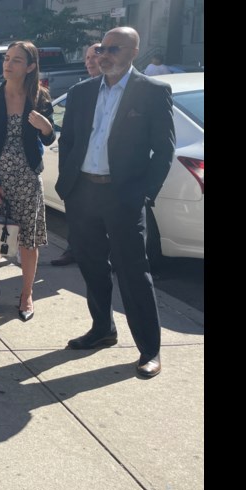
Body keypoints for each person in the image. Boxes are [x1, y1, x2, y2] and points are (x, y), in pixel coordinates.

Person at [57, 27, 175, 379]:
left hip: (123, 197)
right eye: (100, 48)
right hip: (83, 194)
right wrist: (69, 186)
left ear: (133, 51)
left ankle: (149, 349)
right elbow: (70, 141)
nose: (103, 55)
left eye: (112, 48)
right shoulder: (82, 92)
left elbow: (164, 150)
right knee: (92, 268)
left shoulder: (152, 91)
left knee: (133, 273)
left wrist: (143, 193)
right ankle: (102, 329)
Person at [0, 41, 55, 320]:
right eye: (7, 59)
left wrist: (46, 128)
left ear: (30, 66)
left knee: (27, 240)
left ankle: (26, 292)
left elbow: (49, 136)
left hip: (27, 177)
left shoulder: (41, 98)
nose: (8, 64)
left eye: (17, 60)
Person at [52, 42, 101, 268]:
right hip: (81, 169)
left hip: (109, 171)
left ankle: (110, 257)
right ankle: (74, 250)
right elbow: (67, 136)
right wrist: (66, 171)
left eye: (94, 56)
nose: (89, 61)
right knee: (78, 215)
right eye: (87, 57)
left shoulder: (130, 91)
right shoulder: (79, 91)